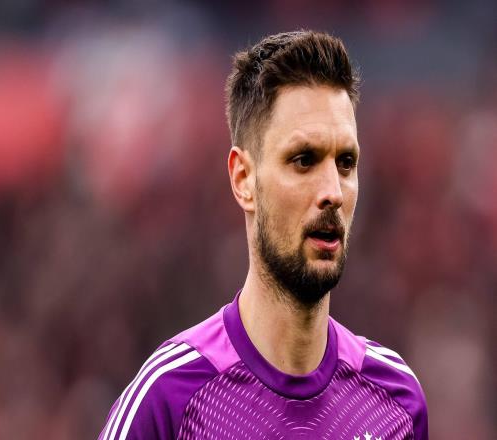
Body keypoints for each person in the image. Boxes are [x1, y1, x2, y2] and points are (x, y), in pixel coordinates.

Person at [98, 30, 428, 440]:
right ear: (243, 179)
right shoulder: (169, 399)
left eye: (345, 162)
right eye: (303, 160)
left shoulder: (396, 400)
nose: (332, 191)